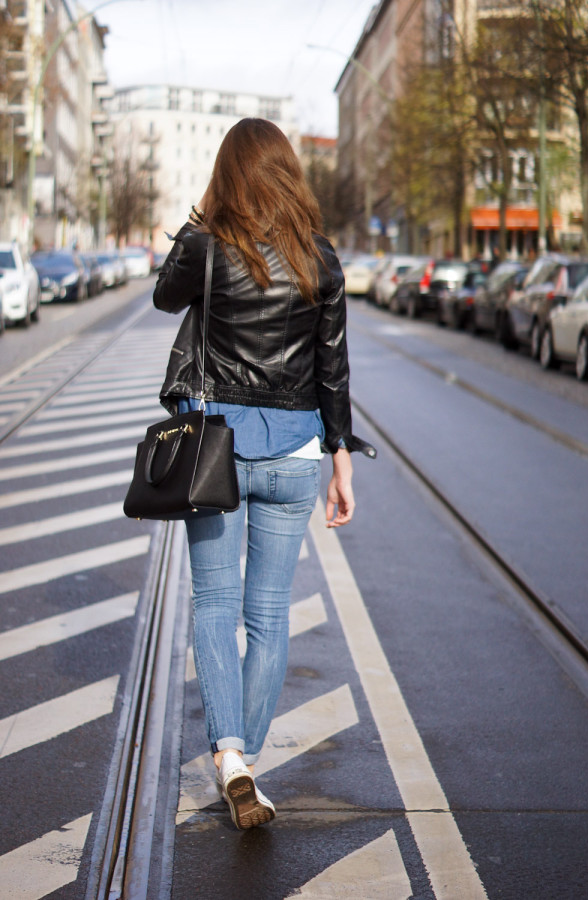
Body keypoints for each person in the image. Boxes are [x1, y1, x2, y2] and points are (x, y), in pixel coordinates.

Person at [153, 118, 375, 830]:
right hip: (293, 454)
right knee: (268, 614)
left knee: (214, 605)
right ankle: (245, 760)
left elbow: (164, 297)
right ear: (288, 173)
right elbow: (333, 369)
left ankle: (230, 758)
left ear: (227, 174)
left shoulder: (206, 247)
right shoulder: (322, 259)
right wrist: (341, 457)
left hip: (214, 448)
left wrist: (196, 225)